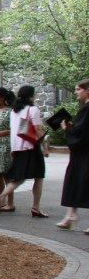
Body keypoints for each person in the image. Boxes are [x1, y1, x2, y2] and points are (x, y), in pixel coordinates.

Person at [0, 85, 48, 218]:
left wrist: (13, 149)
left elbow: (16, 131)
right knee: (39, 177)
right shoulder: (32, 109)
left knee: (18, 177)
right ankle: (35, 207)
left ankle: (1, 197)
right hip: (32, 147)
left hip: (18, 148)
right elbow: (37, 129)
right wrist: (45, 146)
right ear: (31, 96)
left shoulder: (14, 111)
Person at [57, 79, 89, 231]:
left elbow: (82, 132)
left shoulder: (87, 109)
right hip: (82, 153)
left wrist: (67, 129)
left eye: (78, 89)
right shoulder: (85, 108)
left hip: (85, 152)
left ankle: (71, 215)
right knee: (76, 180)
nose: (76, 92)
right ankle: (71, 215)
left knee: (83, 181)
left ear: (87, 90)